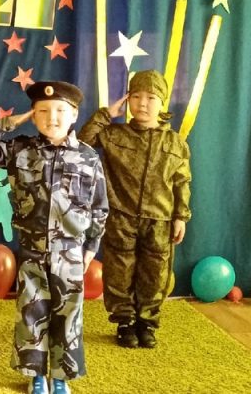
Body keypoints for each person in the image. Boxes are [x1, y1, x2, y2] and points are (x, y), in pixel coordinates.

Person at [0, 81, 108, 394]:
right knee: (32, 314)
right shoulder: (20, 150)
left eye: (60, 110)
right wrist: (9, 122)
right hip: (32, 250)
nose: (52, 118)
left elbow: (99, 207)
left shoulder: (88, 158)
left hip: (70, 252)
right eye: (42, 111)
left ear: (74, 114)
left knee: (68, 315)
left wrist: (91, 247)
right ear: (33, 116)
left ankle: (60, 377)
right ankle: (35, 375)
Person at [78, 69, 192, 350]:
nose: (143, 103)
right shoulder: (114, 135)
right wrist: (107, 114)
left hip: (160, 220)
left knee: (155, 274)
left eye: (151, 98)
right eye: (136, 96)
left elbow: (182, 182)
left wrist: (181, 216)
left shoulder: (175, 143)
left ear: (162, 102)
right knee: (119, 272)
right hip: (121, 218)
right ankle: (125, 323)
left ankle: (147, 324)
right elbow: (83, 142)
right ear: (127, 99)